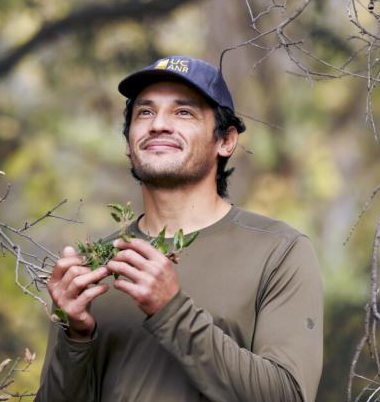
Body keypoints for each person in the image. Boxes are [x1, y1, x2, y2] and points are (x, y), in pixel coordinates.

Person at [36, 56, 323, 401]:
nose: (158, 124)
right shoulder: (93, 269)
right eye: (145, 112)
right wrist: (76, 337)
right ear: (128, 143)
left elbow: (287, 396)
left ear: (226, 141)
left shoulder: (280, 251)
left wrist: (171, 310)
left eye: (183, 112)